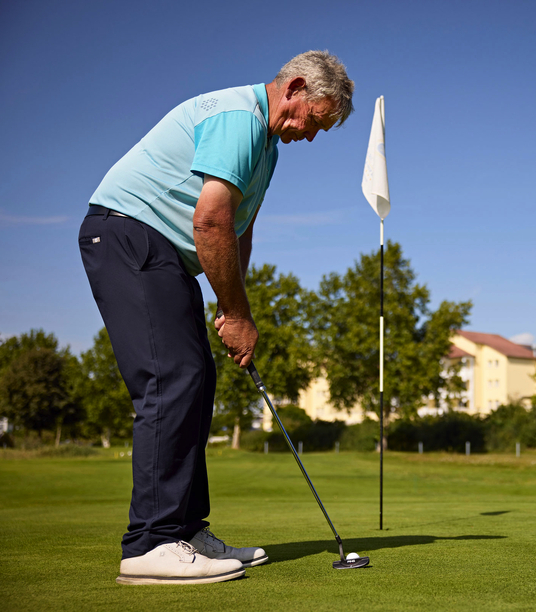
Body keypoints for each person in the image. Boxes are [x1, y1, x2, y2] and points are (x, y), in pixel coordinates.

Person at [78, 51, 354, 585]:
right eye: (312, 119)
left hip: (161, 252)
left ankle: (183, 529)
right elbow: (210, 220)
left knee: (195, 380)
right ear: (293, 87)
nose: (311, 135)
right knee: (172, 378)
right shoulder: (240, 121)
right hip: (130, 234)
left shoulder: (265, 149)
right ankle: (150, 543)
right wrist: (234, 311)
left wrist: (235, 309)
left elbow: (238, 226)